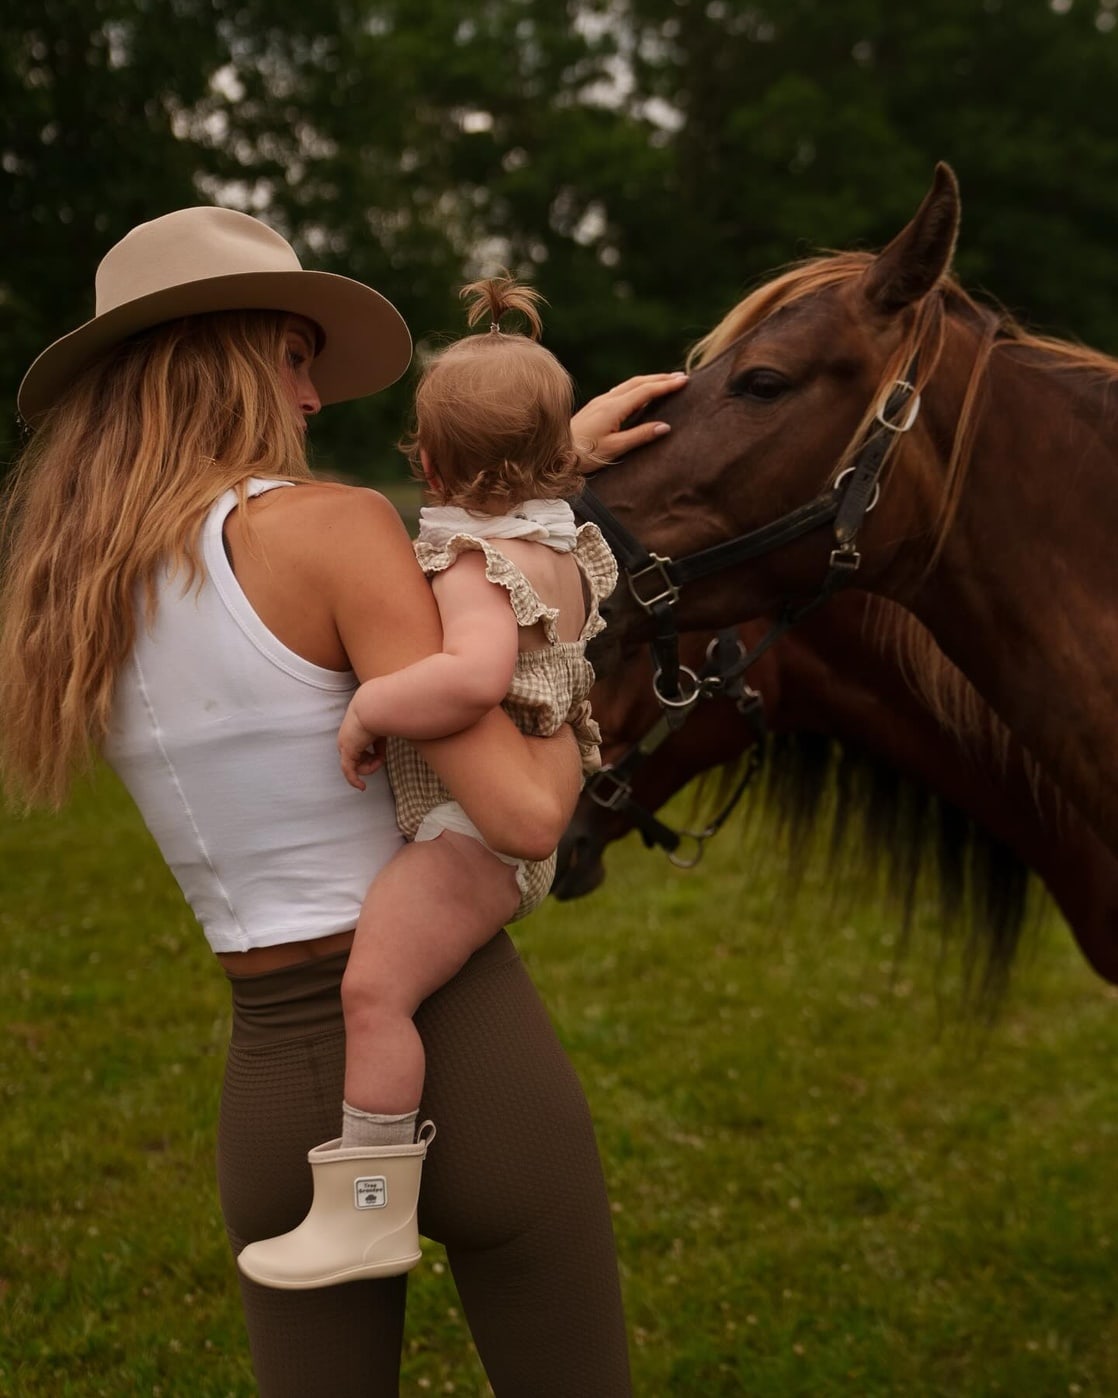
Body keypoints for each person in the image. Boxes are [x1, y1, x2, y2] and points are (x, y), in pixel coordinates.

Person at [0, 205, 686, 1397]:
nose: (312, 399)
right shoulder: (336, 529)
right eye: (295, 357)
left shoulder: (69, 596)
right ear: (230, 353)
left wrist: (541, 449)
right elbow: (522, 813)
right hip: (465, 1049)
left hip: (271, 1093)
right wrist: (578, 712)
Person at [236, 274, 619, 1291]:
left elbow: (469, 679)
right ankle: (372, 1199)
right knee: (390, 988)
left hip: (469, 833)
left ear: (433, 463)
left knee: (372, 992)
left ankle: (368, 1207)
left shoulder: (471, 565)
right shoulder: (556, 541)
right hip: (507, 826)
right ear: (551, 459)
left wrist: (371, 708)